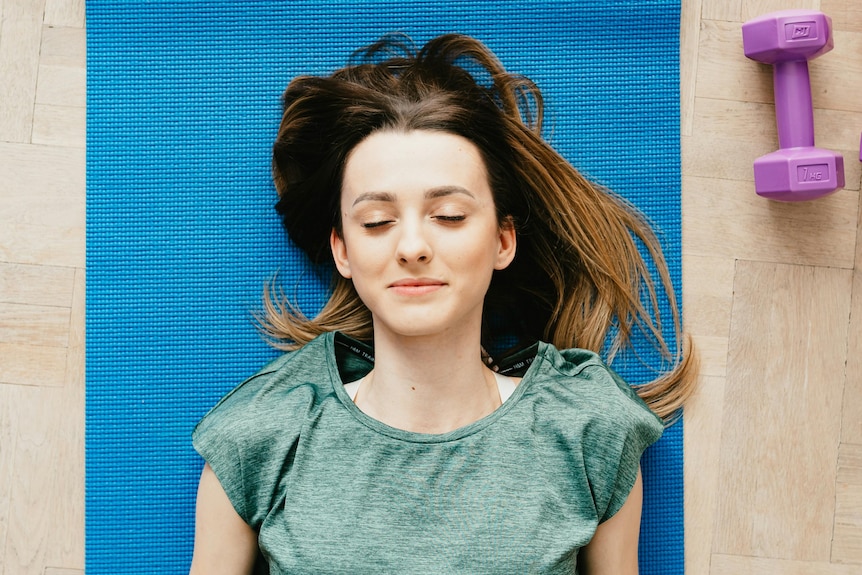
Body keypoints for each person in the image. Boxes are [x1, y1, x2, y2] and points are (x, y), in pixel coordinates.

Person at [189, 34, 697, 574]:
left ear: (503, 241)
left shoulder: (588, 430)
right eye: (377, 222)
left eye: (449, 215)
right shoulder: (261, 435)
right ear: (342, 250)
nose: (412, 247)